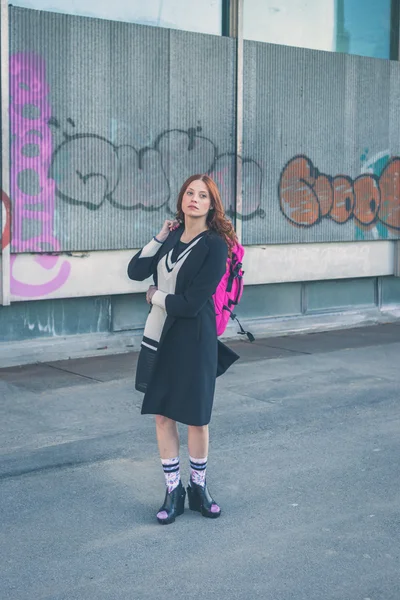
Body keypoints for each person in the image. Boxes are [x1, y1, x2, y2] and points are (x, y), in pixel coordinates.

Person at [127, 174, 240, 525]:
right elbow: (135, 270)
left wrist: (154, 296)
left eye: (202, 195)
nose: (194, 198)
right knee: (163, 414)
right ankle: (173, 490)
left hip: (195, 339)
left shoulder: (216, 245)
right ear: (182, 199)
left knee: (196, 418)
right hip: (159, 335)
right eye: (190, 193)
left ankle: (198, 488)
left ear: (211, 205)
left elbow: (191, 304)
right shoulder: (171, 236)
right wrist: (159, 236)